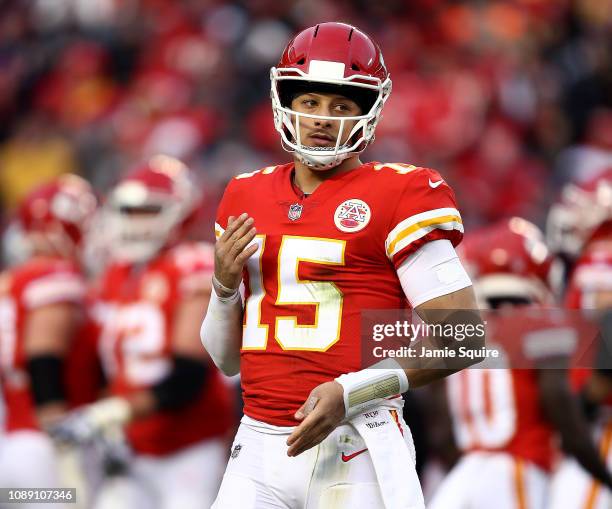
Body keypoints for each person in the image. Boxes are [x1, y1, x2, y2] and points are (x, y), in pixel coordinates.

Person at [201, 22, 482, 509]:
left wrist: (354, 391)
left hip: (360, 444)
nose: (322, 118)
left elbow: (463, 338)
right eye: (310, 102)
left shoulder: (400, 192)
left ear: (368, 111)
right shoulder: (245, 193)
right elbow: (226, 359)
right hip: (257, 448)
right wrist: (224, 289)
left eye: (341, 105)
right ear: (285, 101)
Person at [54, 155, 233, 509]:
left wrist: (113, 412)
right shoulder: (116, 275)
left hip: (189, 445)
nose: (136, 222)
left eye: (149, 210)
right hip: (132, 445)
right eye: (129, 211)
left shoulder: (191, 265)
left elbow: (188, 375)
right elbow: (101, 364)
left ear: (181, 211)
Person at [428, 217, 612, 509]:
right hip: (518, 470)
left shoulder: (456, 334)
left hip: (464, 475)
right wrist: (604, 475)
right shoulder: (540, 325)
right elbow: (560, 407)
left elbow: (440, 427)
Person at [0, 175, 96, 500]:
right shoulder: (55, 276)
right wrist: (61, 438)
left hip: (13, 439)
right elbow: (43, 359)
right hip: (44, 444)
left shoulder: (10, 281)